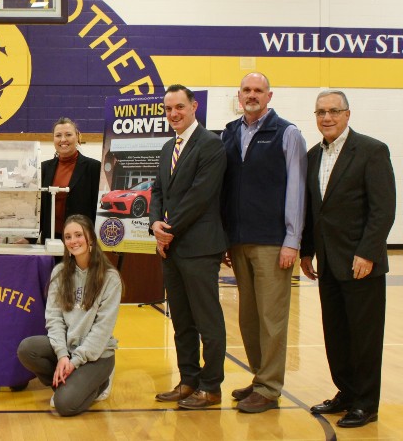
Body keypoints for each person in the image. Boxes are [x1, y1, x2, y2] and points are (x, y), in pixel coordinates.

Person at [300, 90, 395, 428]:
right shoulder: (313, 156)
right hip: (328, 263)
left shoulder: (371, 151)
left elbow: (382, 210)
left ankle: (366, 403)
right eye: (321, 112)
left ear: (347, 114)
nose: (327, 118)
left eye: (334, 111)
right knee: (336, 333)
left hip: (360, 263)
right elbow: (315, 212)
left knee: (364, 336)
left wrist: (367, 253)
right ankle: (346, 393)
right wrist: (307, 251)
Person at [220, 72, 307, 413]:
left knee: (272, 319)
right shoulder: (230, 132)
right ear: (238, 96)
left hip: (274, 242)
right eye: (246, 90)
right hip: (239, 241)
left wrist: (292, 240)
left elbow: (297, 190)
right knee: (249, 319)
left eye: (258, 90)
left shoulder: (288, 133)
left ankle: (270, 388)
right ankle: (260, 378)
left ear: (269, 96)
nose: (252, 95)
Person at [149, 85, 228, 410]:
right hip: (172, 247)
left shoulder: (211, 145)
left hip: (199, 247)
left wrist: (168, 229)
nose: (173, 114)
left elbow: (200, 196)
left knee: (207, 321)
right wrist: (155, 224)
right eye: (168, 109)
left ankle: (211, 387)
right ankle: (188, 380)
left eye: (179, 107)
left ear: (194, 106)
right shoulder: (169, 146)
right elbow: (157, 191)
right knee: (181, 320)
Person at [17, 214, 121, 417]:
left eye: (78, 235)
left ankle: (99, 383)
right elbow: (54, 319)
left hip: (97, 355)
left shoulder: (110, 278)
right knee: (27, 349)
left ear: (90, 237)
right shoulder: (60, 272)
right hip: (67, 347)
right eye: (68, 237)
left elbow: (101, 330)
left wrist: (75, 361)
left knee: (65, 405)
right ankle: (69, 383)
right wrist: (63, 355)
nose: (73, 241)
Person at [39, 118, 101, 243]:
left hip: (81, 239)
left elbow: (97, 207)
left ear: (77, 136)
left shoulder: (94, 167)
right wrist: (29, 238)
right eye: (58, 135)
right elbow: (40, 207)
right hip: (50, 238)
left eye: (68, 134)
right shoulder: (43, 168)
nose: (63, 140)